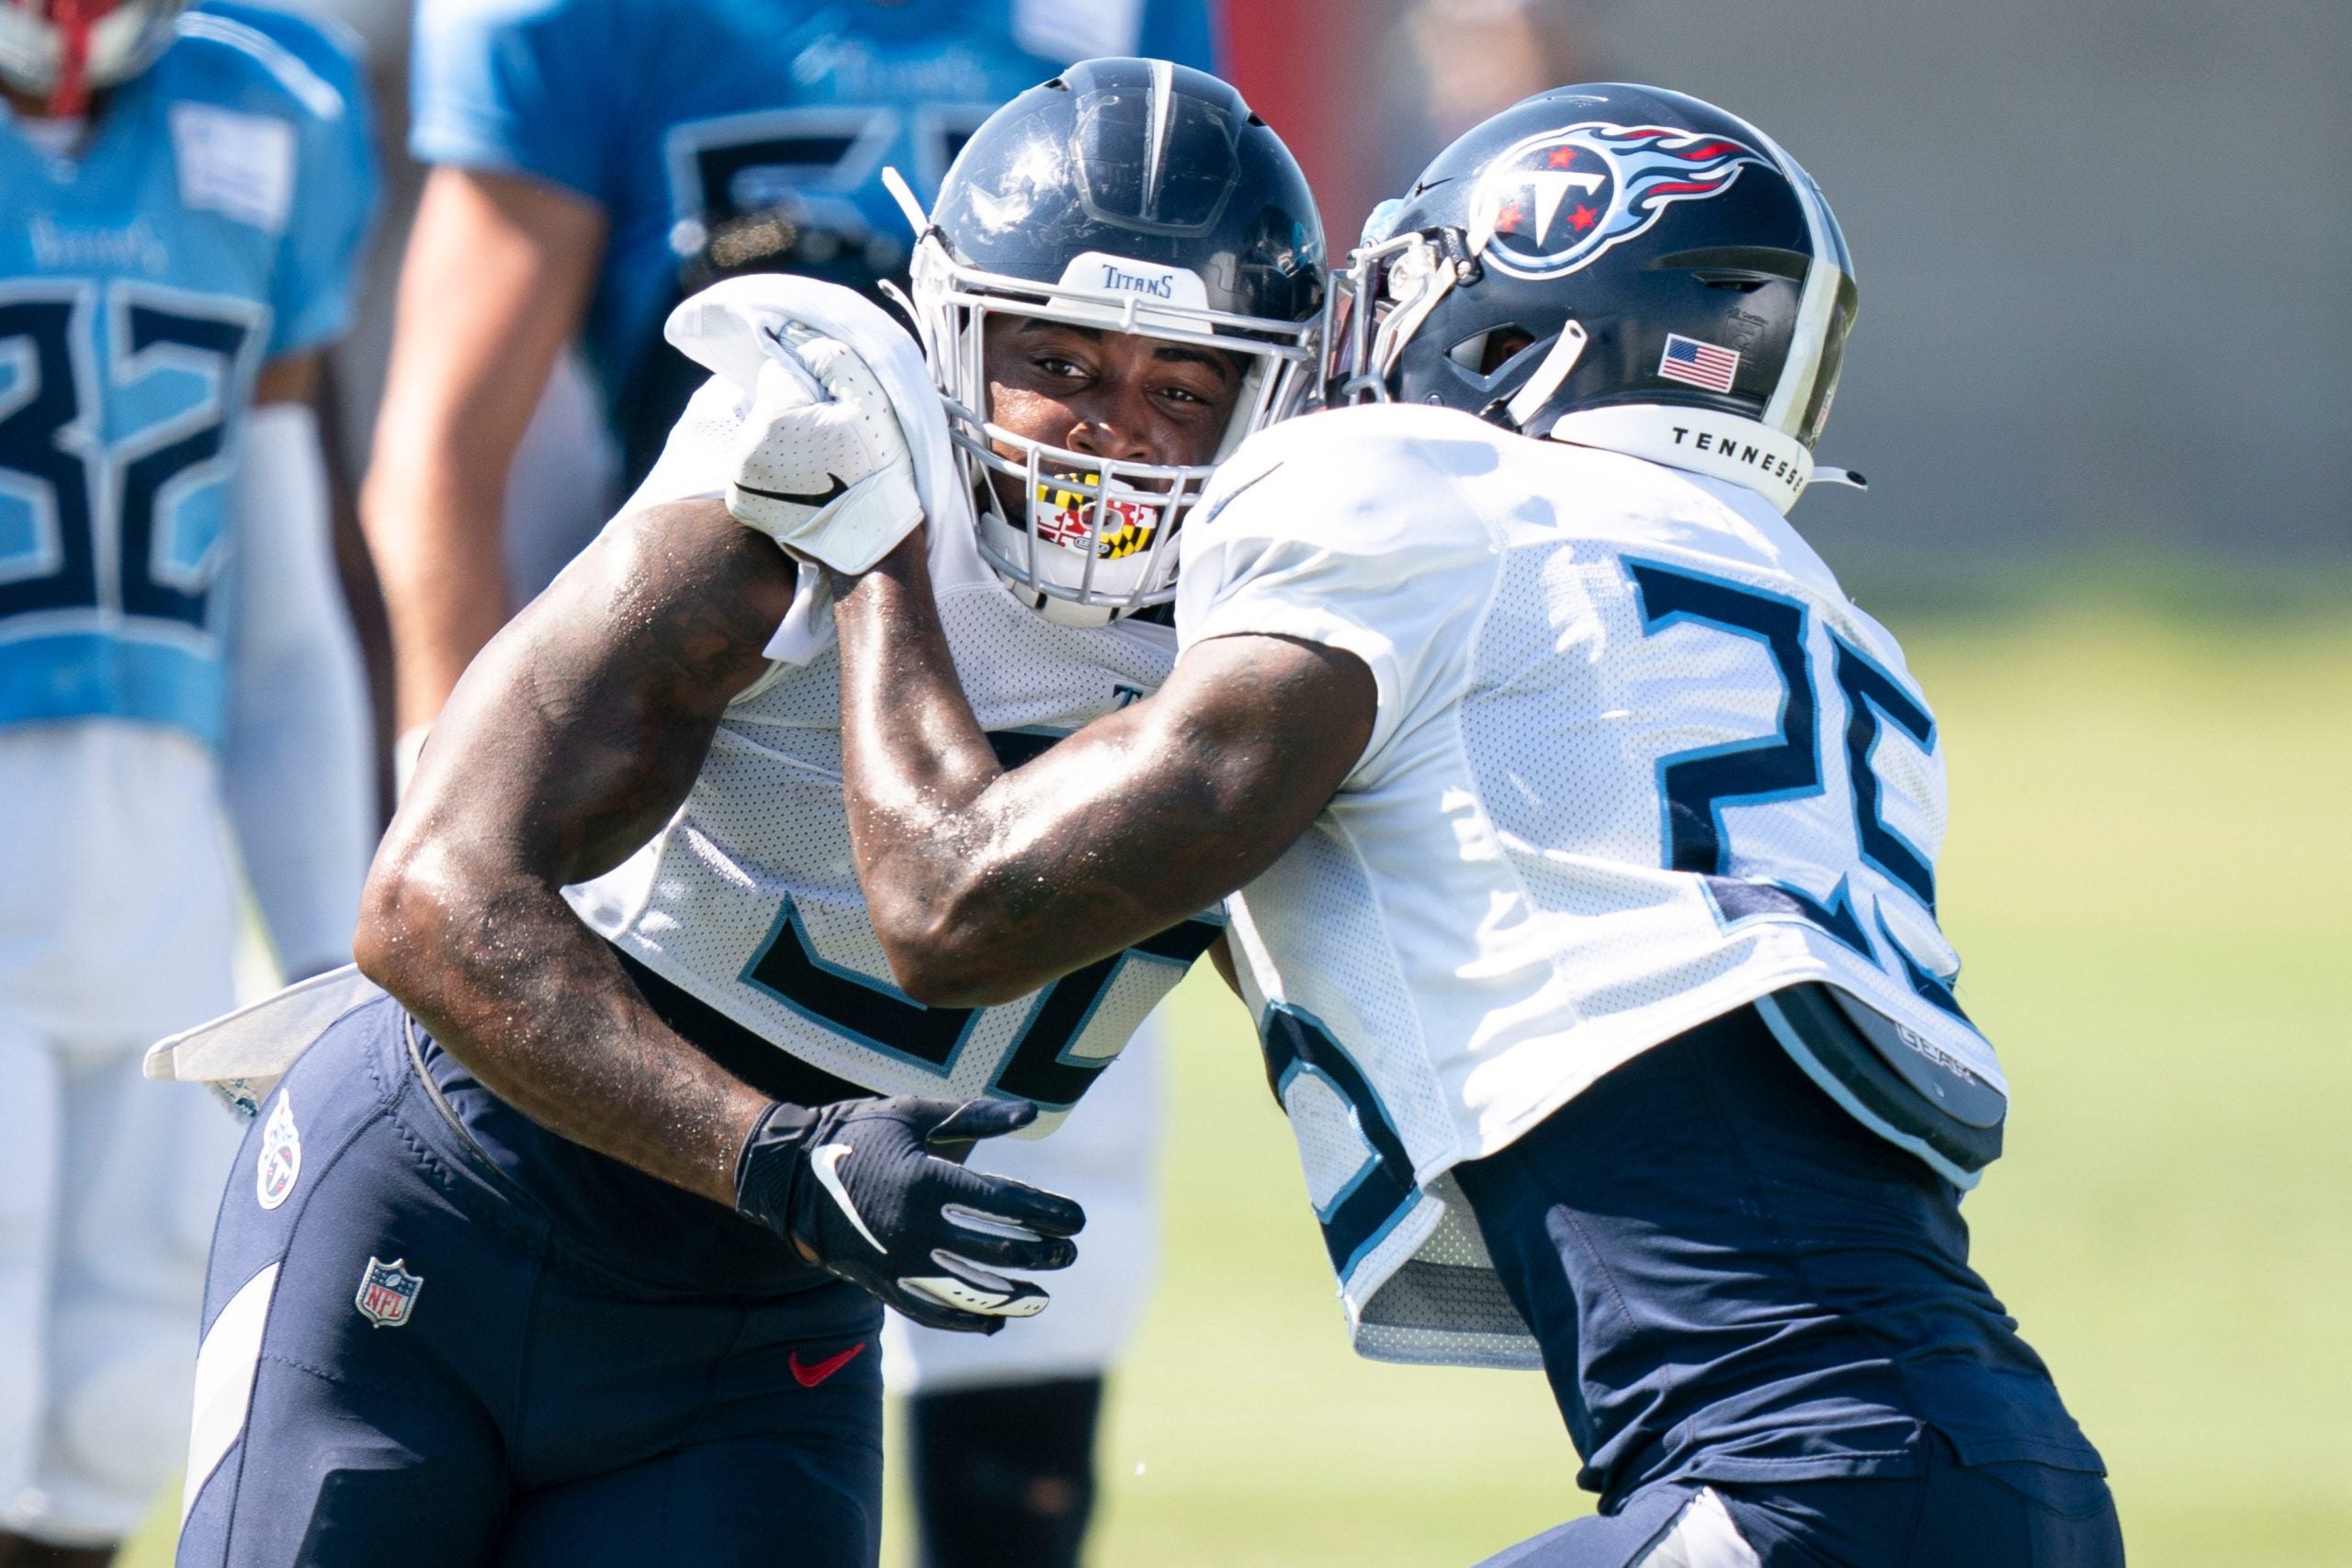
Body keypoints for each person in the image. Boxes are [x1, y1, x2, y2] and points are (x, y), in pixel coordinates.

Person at [813, 83, 2125, 1566]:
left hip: (1798, 1486)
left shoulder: (1412, 490)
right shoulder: (1816, 620)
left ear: (1510, 325)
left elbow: (952, 908)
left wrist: (877, 547)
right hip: (1977, 1473)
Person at [165, 59, 1324, 1566]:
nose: (1112, 436)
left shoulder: (1290, 619)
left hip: (757, 1332)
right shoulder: (800, 481)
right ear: (953, 339)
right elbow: (431, 898)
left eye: (1181, 387)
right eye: (1061, 362)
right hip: (445, 1212)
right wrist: (774, 1152)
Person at [0, 1, 376, 1561]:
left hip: (149, 875)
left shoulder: (272, 102)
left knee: (115, 1406)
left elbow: (281, 625)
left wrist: (333, 961)